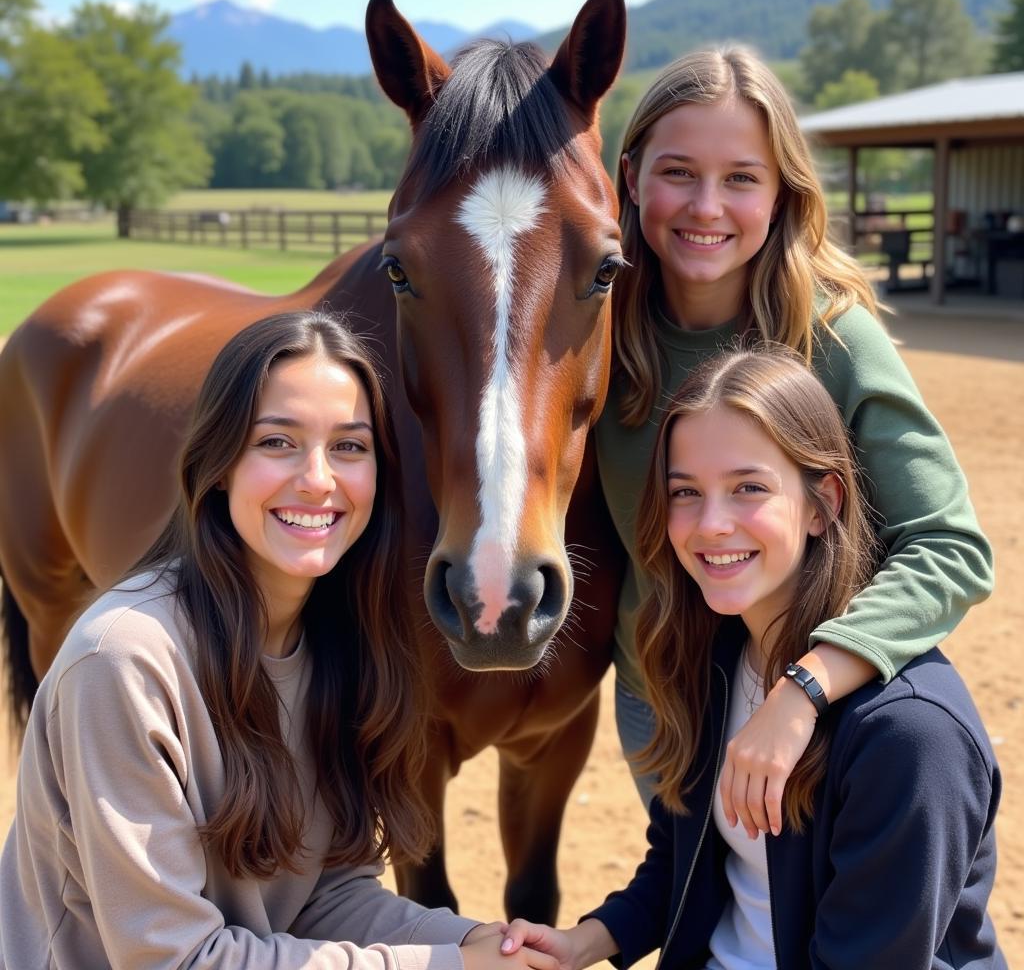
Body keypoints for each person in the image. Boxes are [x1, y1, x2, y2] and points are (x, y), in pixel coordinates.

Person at [0, 310, 557, 970]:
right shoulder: (123, 660)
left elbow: (322, 894)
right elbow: (171, 960)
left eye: (349, 447)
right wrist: (449, 968)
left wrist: (468, 941)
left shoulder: (343, 641)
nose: (318, 478)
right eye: (277, 442)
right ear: (219, 463)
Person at [594, 47, 994, 834]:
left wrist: (804, 689)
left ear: (780, 195)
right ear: (633, 178)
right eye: (679, 172)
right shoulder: (590, 334)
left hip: (812, 712)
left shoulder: (834, 337)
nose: (707, 205)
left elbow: (950, 547)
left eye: (742, 178)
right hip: (663, 707)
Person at [499, 347, 1005, 969]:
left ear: (823, 504)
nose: (710, 524)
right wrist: (588, 940)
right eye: (686, 492)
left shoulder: (910, 736)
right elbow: (686, 862)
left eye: (749, 489)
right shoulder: (711, 654)